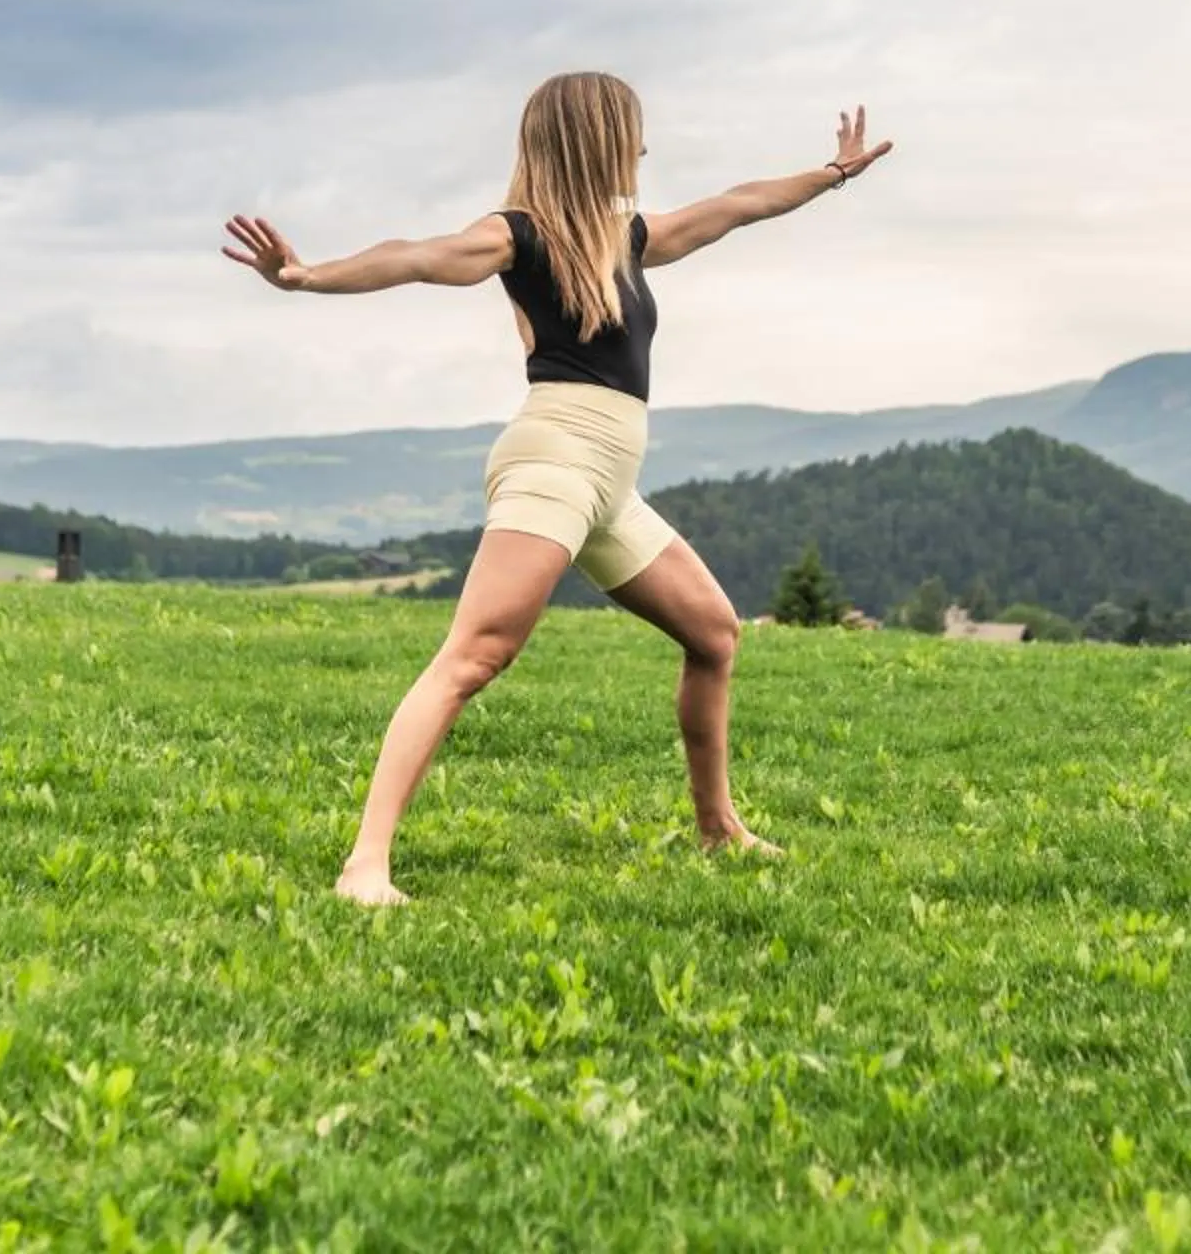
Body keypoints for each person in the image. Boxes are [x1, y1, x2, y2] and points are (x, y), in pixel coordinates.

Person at [222, 73, 893, 905]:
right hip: (553, 462)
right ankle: (365, 864)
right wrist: (308, 276)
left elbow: (737, 205)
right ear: (595, 139)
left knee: (715, 635)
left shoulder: (626, 238)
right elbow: (419, 256)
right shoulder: (519, 237)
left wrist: (830, 177)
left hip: (609, 482)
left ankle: (718, 828)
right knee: (474, 657)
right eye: (632, 134)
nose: (643, 151)